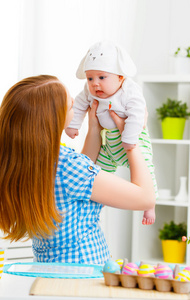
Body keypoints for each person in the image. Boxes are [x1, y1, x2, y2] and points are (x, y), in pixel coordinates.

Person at [0, 75, 156, 265]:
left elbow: (78, 176)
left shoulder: (25, 162)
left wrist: (94, 129)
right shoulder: (69, 167)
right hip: (84, 271)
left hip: (47, 269)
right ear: (52, 119)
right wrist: (131, 140)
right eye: (70, 105)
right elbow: (145, 197)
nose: (75, 102)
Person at [65, 41, 158, 225]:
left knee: (145, 168)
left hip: (131, 139)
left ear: (121, 77)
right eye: (90, 78)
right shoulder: (89, 92)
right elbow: (81, 104)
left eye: (102, 77)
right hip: (106, 143)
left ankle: (150, 205)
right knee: (99, 172)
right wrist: (74, 125)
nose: (95, 84)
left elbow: (138, 113)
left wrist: (130, 138)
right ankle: (99, 199)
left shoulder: (128, 90)